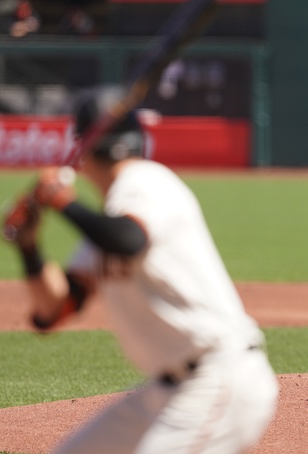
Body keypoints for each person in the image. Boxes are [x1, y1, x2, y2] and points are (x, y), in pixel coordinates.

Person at [6, 86, 278, 453]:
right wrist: (29, 248)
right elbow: (54, 310)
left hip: (218, 378)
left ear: (84, 151)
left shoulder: (147, 182)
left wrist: (62, 201)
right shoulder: (113, 214)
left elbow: (128, 240)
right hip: (164, 391)